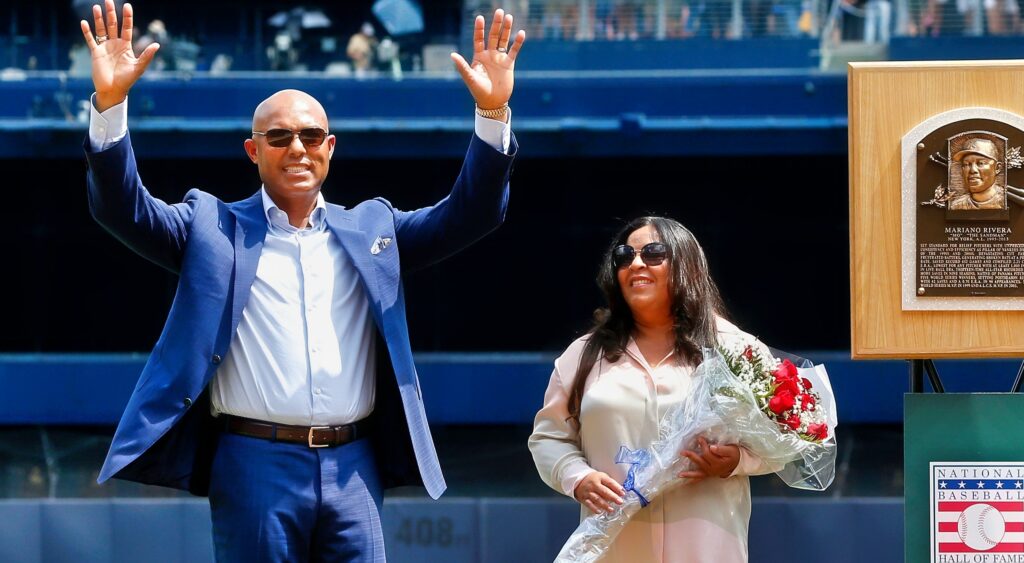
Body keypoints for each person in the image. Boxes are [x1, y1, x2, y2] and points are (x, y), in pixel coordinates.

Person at [78, 1, 525, 561]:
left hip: (355, 463)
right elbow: (123, 210)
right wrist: (111, 106)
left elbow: (471, 215)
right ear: (253, 150)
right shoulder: (210, 226)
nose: (298, 149)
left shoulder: (373, 227)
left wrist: (492, 113)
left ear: (330, 149)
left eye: (312, 137)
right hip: (253, 460)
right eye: (280, 137)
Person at [529, 217, 773, 563]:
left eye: (654, 253)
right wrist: (577, 477)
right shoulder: (583, 355)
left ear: (686, 265)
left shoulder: (734, 350)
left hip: (707, 546)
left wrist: (737, 460)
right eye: (625, 255)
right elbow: (548, 437)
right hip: (615, 548)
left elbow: (784, 435)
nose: (636, 263)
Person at [948, 137, 1006, 211]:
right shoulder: (956, 206)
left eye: (980, 163)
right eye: (966, 164)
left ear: (997, 168)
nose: (973, 170)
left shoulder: (1006, 201)